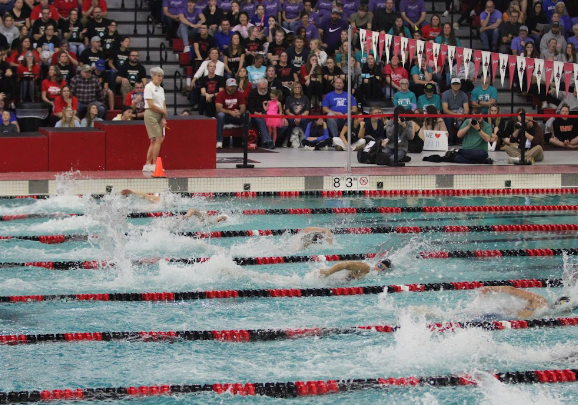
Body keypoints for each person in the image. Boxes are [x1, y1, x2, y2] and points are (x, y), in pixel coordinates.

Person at [120, 189, 229, 222]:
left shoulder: (208, 220)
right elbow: (144, 195)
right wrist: (132, 192)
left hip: (146, 211)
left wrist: (187, 215)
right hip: (146, 210)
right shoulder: (159, 201)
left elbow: (193, 210)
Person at [478, 286, 576, 318]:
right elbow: (513, 290)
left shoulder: (546, 313)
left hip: (499, 317)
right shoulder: (540, 300)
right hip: (496, 315)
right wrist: (490, 288)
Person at [142, 67, 167, 172]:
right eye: (158, 75)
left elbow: (163, 104)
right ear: (153, 76)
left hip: (159, 115)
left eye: (161, 76)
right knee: (158, 138)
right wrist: (162, 111)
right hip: (151, 114)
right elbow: (151, 104)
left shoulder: (161, 89)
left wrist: (163, 117)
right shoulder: (148, 87)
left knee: (153, 140)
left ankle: (147, 164)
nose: (159, 78)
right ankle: (155, 163)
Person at [215, 77, 246, 148]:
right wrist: (230, 112)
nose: (233, 88)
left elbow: (243, 107)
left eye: (234, 86)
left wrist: (239, 112)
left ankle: (245, 140)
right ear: (226, 86)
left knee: (246, 117)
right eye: (231, 86)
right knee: (220, 115)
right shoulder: (221, 94)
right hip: (226, 115)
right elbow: (218, 108)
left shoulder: (239, 94)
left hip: (236, 115)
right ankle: (219, 140)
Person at [247, 79, 277, 149]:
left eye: (265, 88)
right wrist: (256, 113)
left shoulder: (270, 92)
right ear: (257, 86)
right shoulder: (252, 93)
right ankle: (268, 141)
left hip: (268, 113)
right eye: (261, 88)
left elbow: (274, 104)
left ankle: (268, 141)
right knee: (261, 120)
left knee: (283, 125)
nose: (263, 90)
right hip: (255, 114)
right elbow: (250, 106)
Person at [442, 77, 470, 145]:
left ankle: (461, 139)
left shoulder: (464, 95)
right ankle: (450, 139)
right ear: (451, 85)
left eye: (457, 84)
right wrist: (456, 115)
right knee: (447, 118)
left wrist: (463, 115)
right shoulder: (445, 94)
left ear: (460, 85)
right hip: (450, 112)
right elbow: (445, 109)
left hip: (460, 112)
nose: (456, 86)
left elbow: (466, 109)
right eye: (454, 84)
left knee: (467, 118)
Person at [320, 258, 392, 280]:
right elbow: (345, 264)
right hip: (324, 277)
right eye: (379, 266)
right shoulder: (366, 267)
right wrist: (328, 272)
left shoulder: (371, 275)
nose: (378, 269)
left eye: (382, 269)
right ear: (377, 263)